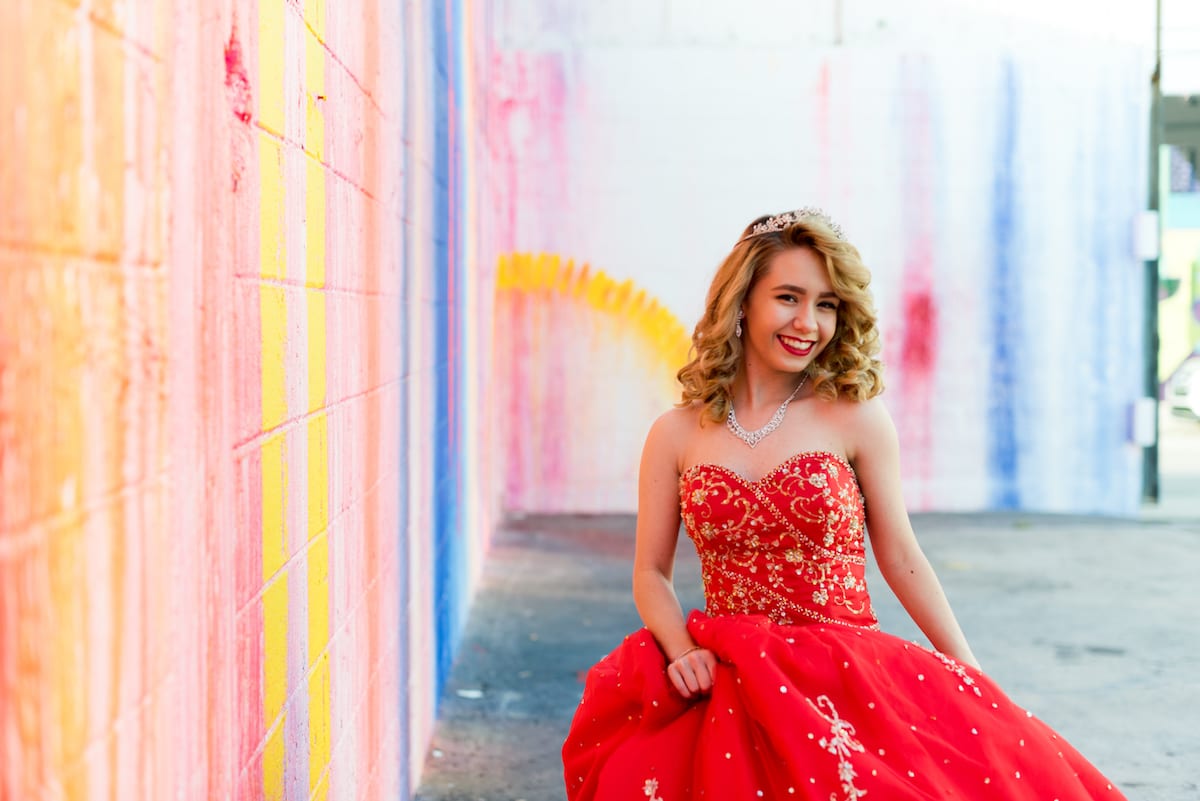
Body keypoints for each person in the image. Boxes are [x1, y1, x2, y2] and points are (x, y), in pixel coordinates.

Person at [562, 209, 1126, 800]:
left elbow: (900, 553)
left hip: (845, 670)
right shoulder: (675, 433)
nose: (808, 323)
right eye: (788, 297)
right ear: (742, 301)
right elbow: (650, 572)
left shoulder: (855, 417)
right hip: (726, 668)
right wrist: (680, 651)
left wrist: (967, 668)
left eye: (827, 304)